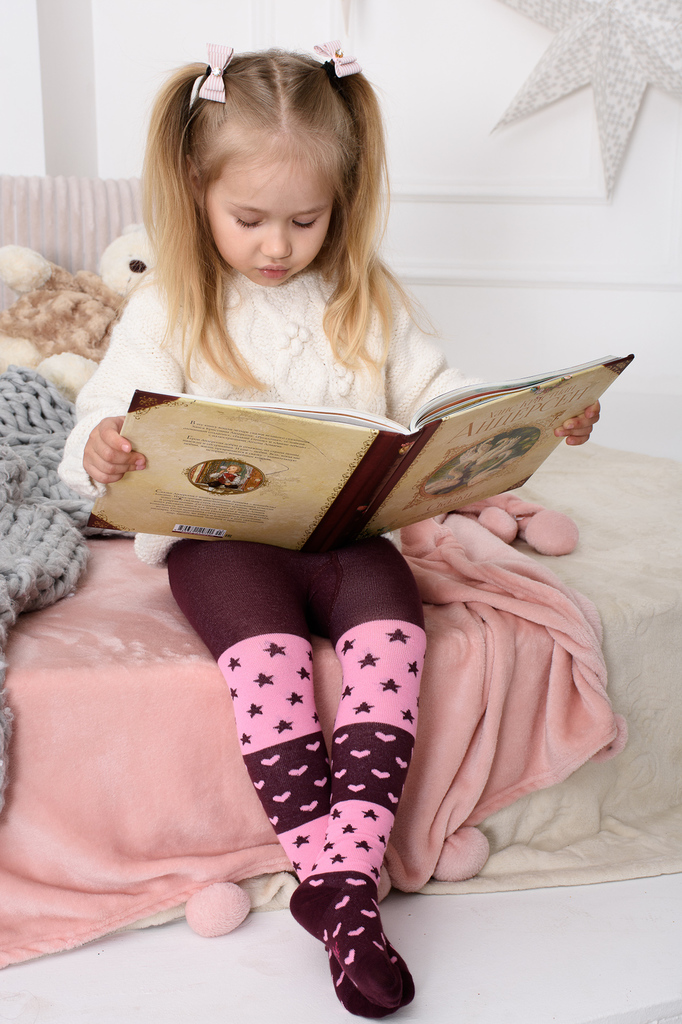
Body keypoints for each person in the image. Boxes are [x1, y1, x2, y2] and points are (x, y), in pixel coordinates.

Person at [58, 42, 600, 1018]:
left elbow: (438, 395)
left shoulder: (367, 298)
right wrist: (103, 447)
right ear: (196, 190)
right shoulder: (170, 304)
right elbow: (100, 417)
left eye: (305, 220)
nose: (277, 245)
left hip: (346, 542)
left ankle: (334, 884)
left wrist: (521, 419)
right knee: (267, 660)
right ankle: (350, 896)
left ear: (341, 201)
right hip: (222, 545)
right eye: (249, 219)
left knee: (395, 633)